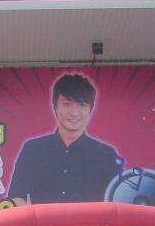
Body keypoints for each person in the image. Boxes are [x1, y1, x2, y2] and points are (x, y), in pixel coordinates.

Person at [7, 72, 122, 205]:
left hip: (92, 220)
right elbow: (16, 196)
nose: (74, 113)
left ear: (91, 109)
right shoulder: (32, 149)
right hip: (44, 219)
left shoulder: (106, 154)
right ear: (55, 106)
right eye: (67, 104)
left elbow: (119, 198)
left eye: (82, 105)